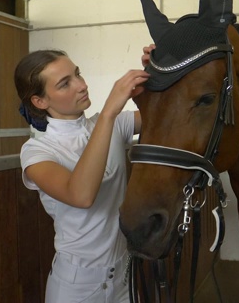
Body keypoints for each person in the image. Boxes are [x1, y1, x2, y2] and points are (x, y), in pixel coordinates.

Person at [14, 48, 151, 303]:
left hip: (124, 277)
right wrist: (109, 112)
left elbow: (169, 114)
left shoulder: (113, 124)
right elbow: (81, 195)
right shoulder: (37, 151)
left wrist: (159, 69)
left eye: (77, 74)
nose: (81, 85)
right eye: (65, 83)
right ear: (40, 101)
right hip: (77, 287)